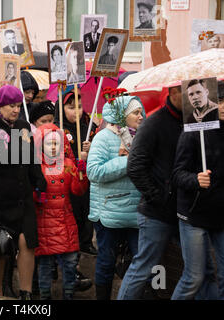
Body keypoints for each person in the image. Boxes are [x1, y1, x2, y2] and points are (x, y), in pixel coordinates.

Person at [117, 86, 217, 300]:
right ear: (172, 92)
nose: (194, 98)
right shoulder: (154, 123)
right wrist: (159, 198)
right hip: (158, 213)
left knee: (202, 270)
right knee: (143, 268)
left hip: (188, 210)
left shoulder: (196, 121)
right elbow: (134, 167)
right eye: (187, 93)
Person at [0, 85, 47, 299]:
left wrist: (39, 179)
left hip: (23, 199)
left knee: (26, 242)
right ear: (0, 106)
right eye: (10, 106)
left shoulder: (24, 127)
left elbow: (31, 159)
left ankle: (26, 292)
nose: (16, 109)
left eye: (17, 105)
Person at [171, 81, 224, 300]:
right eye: (221, 101)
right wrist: (196, 179)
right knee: (194, 278)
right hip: (194, 215)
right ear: (212, 101)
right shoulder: (193, 129)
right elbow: (177, 174)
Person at [87, 96, 145, 300]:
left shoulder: (141, 137)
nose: (140, 116)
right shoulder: (103, 137)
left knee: (140, 261)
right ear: (122, 115)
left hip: (137, 212)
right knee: (106, 262)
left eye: (140, 112)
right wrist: (127, 162)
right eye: (135, 113)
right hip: (110, 212)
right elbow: (93, 172)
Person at [33, 123, 89, 300]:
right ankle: (45, 297)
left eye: (57, 143)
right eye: (49, 143)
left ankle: (69, 294)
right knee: (45, 264)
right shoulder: (35, 166)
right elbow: (29, 191)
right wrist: (36, 196)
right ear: (41, 144)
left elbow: (78, 191)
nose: (54, 147)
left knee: (71, 262)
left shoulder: (68, 164)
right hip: (45, 223)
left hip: (65, 220)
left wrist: (81, 173)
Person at [54, 92, 96, 290]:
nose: (77, 111)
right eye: (71, 107)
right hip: (65, 187)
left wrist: (91, 148)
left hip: (84, 186)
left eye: (79, 106)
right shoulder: (56, 131)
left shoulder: (88, 127)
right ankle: (71, 270)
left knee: (81, 224)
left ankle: (72, 263)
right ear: (61, 110)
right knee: (67, 228)